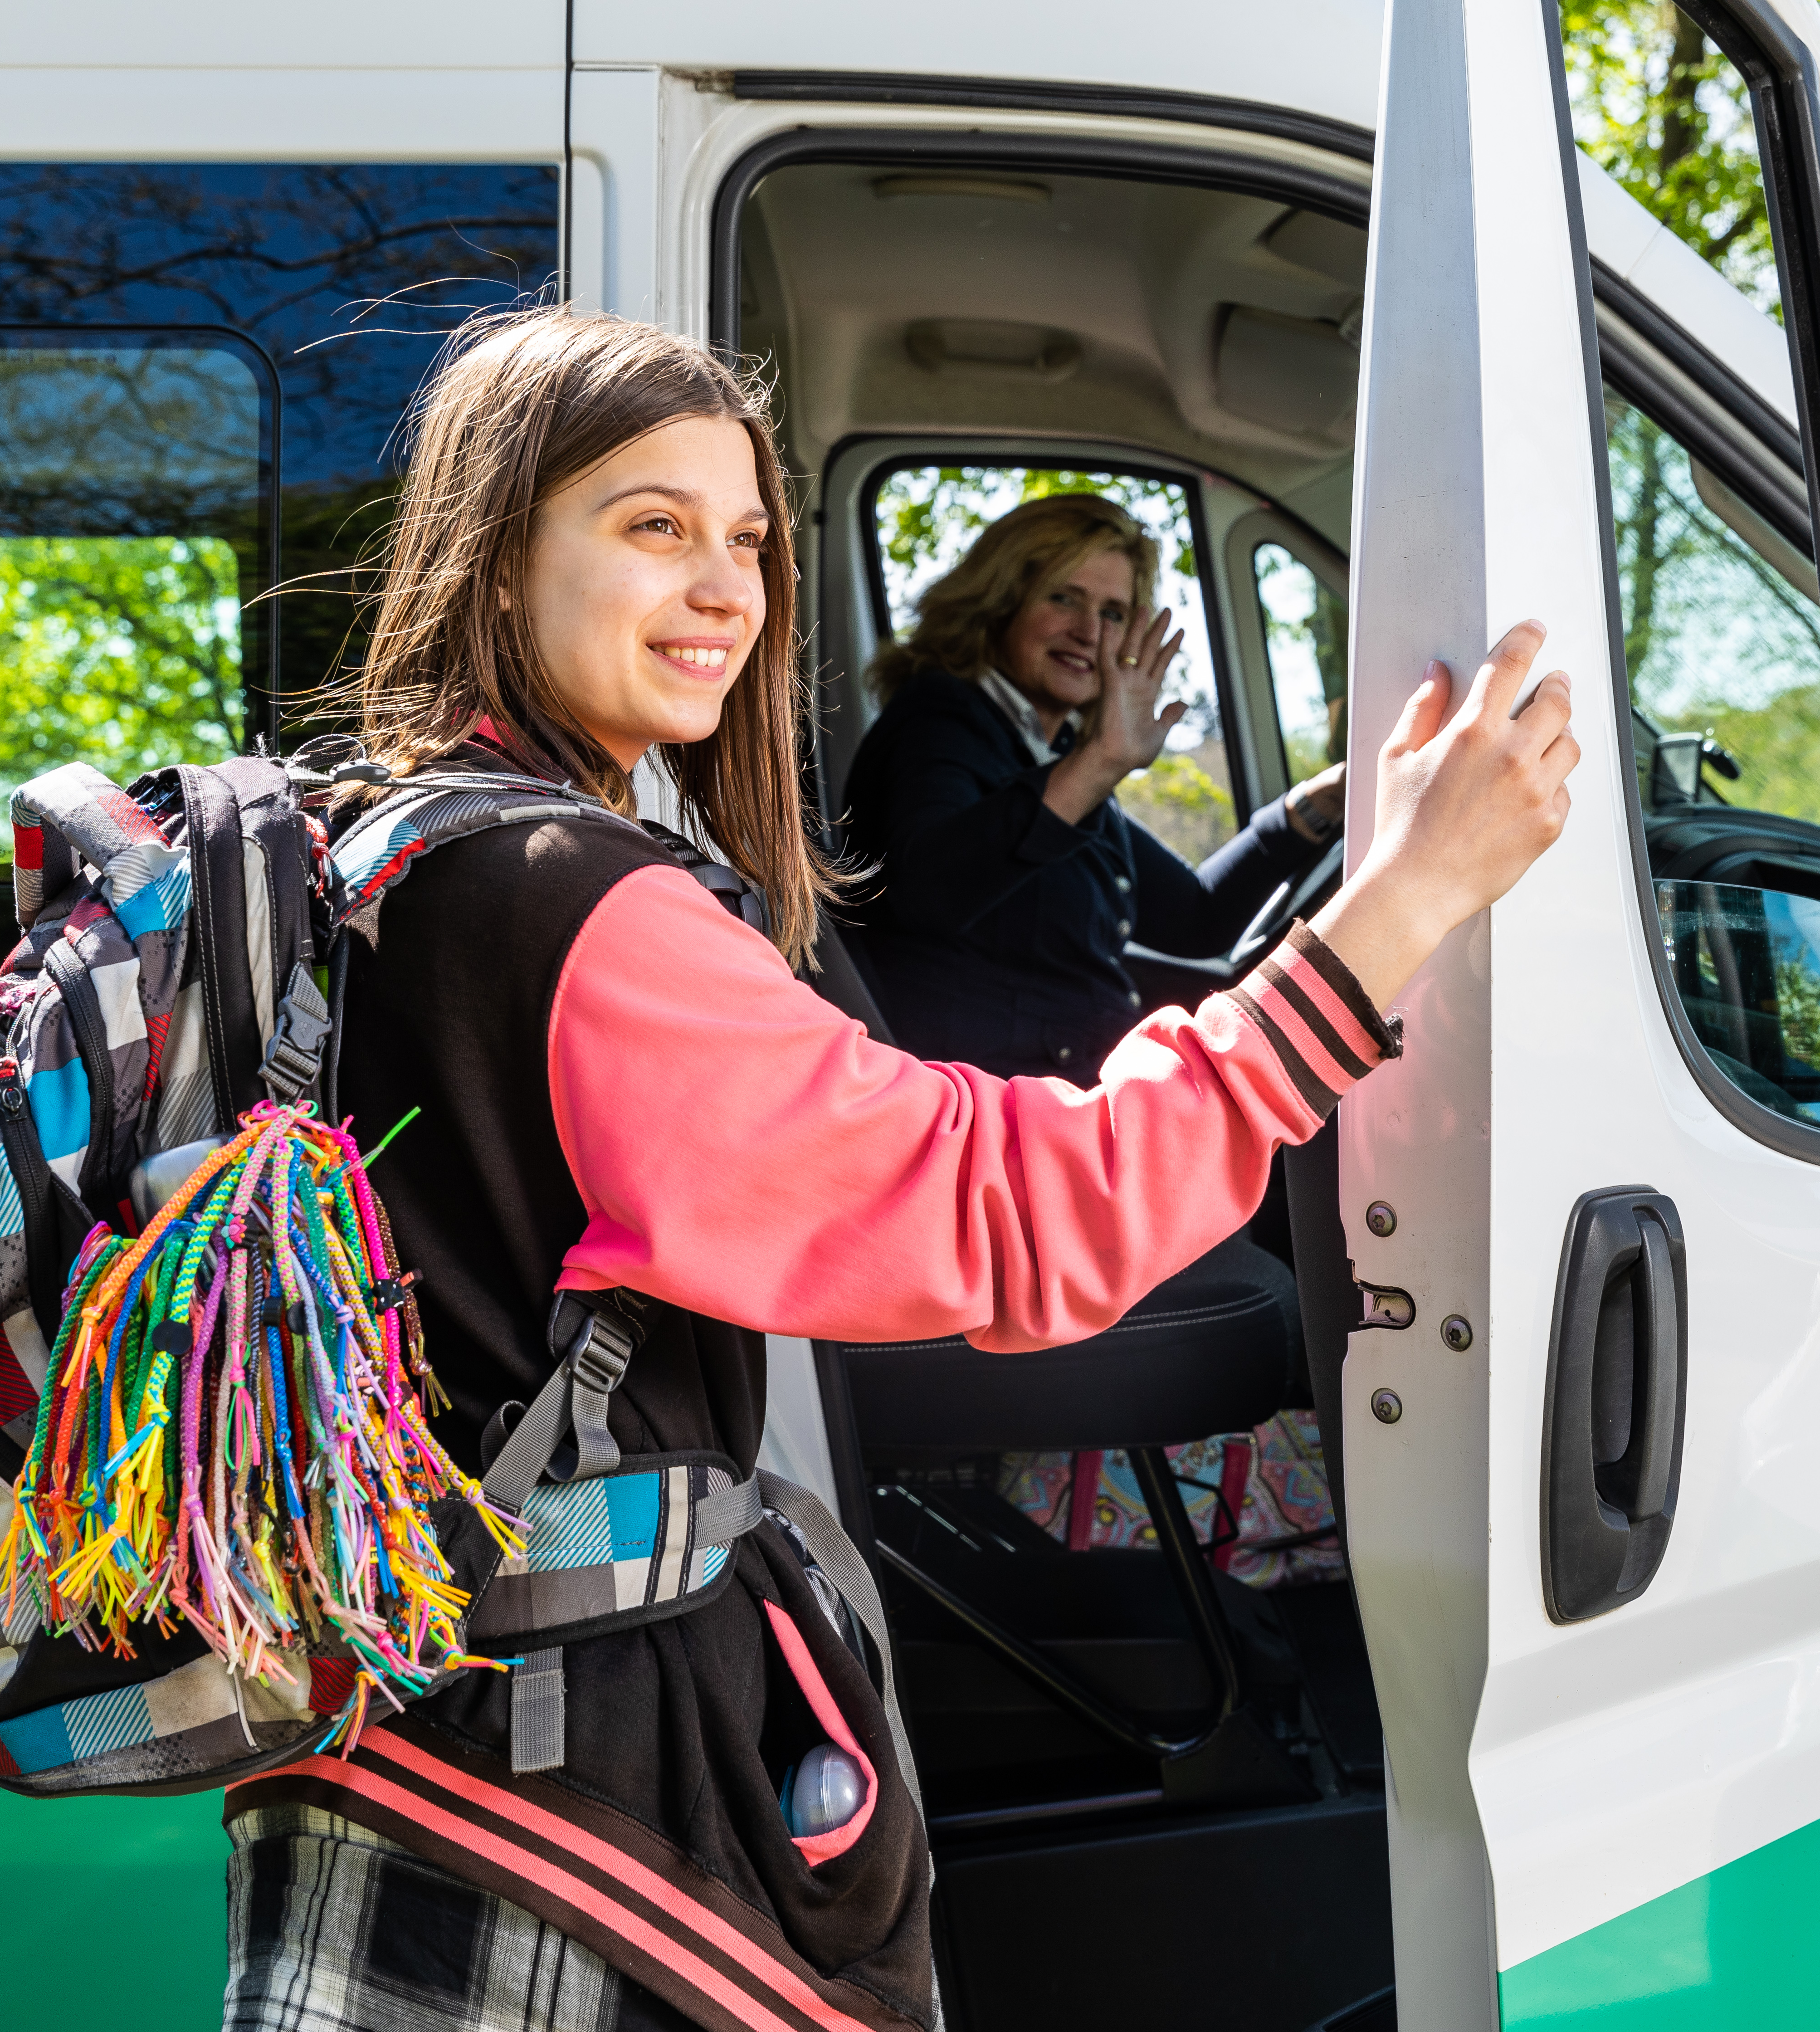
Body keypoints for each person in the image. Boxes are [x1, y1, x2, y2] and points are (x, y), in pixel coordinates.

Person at [220, 307, 1577, 2032]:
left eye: (746, 540)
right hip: (566, 1808)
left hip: (415, 1730)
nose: (725, 589)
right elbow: (1023, 1216)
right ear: (496, 556)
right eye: (654, 525)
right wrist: (1409, 900)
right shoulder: (581, 906)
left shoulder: (383, 835)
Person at [841, 493, 1349, 1075]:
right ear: (1000, 603)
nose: (1088, 631)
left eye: (1113, 614)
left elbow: (1193, 919)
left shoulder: (1056, 754)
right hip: (992, 1103)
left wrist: (1312, 806)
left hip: (1076, 1088)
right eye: (1064, 598)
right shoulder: (938, 719)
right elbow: (927, 894)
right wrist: (1100, 762)